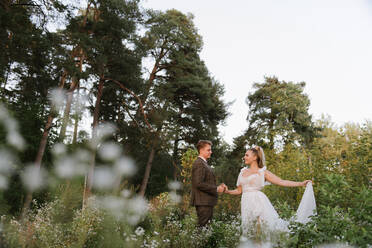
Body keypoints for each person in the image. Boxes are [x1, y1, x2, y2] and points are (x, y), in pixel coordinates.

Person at [226, 146, 315, 235]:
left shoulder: (263, 172)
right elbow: (239, 190)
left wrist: (301, 183)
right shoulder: (242, 172)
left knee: (260, 230)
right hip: (246, 203)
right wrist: (227, 191)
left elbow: (281, 181)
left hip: (258, 202)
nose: (244, 157)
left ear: (255, 157)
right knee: (250, 231)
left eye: (246, 155)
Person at [190, 140, 227, 227]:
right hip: (203, 202)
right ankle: (200, 241)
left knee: (205, 228)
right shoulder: (199, 163)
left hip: (206, 201)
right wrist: (216, 189)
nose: (211, 152)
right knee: (203, 229)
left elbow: (205, 182)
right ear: (201, 150)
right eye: (208, 150)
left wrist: (218, 186)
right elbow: (198, 183)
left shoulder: (204, 163)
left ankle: (203, 241)